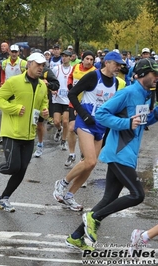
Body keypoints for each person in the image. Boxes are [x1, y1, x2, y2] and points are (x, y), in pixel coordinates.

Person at [65, 58, 158, 251]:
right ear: (142, 75)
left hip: (128, 153)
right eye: (154, 74)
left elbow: (140, 122)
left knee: (108, 199)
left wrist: (154, 114)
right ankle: (94, 217)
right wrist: (125, 124)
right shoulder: (129, 92)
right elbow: (103, 114)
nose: (157, 78)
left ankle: (76, 237)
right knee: (137, 195)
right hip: (118, 152)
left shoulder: (146, 95)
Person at [53, 52, 124, 212]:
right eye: (116, 64)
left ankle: (70, 196)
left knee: (89, 165)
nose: (118, 67)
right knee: (90, 160)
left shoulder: (116, 83)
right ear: (107, 63)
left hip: (101, 125)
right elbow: (72, 93)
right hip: (85, 121)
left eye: (120, 65)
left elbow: (112, 105)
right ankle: (62, 183)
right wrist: (83, 113)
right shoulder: (93, 76)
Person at [0, 52, 49, 212]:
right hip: (12, 131)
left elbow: (43, 101)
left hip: (29, 134)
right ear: (29, 64)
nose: (40, 68)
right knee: (13, 167)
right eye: (37, 64)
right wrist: (15, 108)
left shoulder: (42, 85)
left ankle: (4, 198)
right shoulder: (14, 82)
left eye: (42, 65)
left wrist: (44, 110)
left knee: (22, 170)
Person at [64, 51, 96, 167]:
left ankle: (84, 156)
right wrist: (70, 87)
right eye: (87, 58)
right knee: (71, 128)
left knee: (82, 131)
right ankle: (72, 154)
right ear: (82, 59)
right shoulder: (76, 67)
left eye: (91, 59)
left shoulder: (94, 72)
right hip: (74, 102)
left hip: (86, 104)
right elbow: (70, 78)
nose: (89, 61)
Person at [32, 49, 60, 158]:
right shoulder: (27, 69)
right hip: (29, 101)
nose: (39, 66)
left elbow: (56, 84)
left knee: (39, 125)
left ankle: (39, 144)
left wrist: (47, 83)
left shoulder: (47, 71)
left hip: (42, 102)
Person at [51, 50, 73, 150]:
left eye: (66, 56)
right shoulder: (56, 69)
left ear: (70, 58)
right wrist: (52, 90)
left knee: (65, 122)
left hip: (68, 100)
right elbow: (50, 80)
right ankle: (59, 130)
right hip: (57, 99)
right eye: (63, 56)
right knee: (56, 121)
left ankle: (63, 141)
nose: (64, 58)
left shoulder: (73, 69)